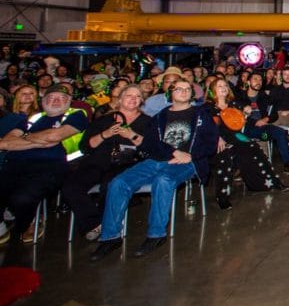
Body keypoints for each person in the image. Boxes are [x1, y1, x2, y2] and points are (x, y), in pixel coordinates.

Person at [91, 79, 219, 261]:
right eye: (178, 89)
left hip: (188, 162)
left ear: (192, 94)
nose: (183, 92)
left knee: (163, 180)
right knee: (118, 182)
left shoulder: (201, 115)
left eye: (187, 89)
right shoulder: (159, 117)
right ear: (170, 94)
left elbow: (210, 142)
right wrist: (174, 151)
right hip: (156, 160)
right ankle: (110, 237)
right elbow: (150, 144)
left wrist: (191, 156)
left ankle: (156, 234)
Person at [62, 85, 152, 241]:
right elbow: (86, 146)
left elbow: (152, 149)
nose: (133, 99)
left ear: (142, 101)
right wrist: (105, 134)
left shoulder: (148, 122)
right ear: (120, 99)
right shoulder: (103, 120)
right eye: (129, 95)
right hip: (97, 162)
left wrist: (132, 135)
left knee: (110, 185)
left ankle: (105, 226)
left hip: (128, 162)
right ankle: (95, 223)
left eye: (137, 96)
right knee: (70, 187)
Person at [0, 86, 89, 243]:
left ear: (69, 101)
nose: (55, 100)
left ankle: (25, 225)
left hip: (50, 167)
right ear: (43, 101)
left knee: (22, 199)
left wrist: (25, 138)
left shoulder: (76, 115)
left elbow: (55, 136)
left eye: (61, 98)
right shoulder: (30, 119)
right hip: (13, 165)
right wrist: (40, 141)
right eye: (51, 97)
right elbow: (5, 143)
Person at [207, 78, 289, 210]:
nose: (223, 88)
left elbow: (244, 119)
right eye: (219, 86)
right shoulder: (208, 108)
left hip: (236, 136)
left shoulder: (233, 104)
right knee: (224, 158)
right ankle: (223, 197)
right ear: (212, 90)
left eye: (225, 86)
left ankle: (273, 182)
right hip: (218, 140)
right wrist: (217, 138)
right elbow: (207, 127)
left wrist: (246, 113)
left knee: (254, 147)